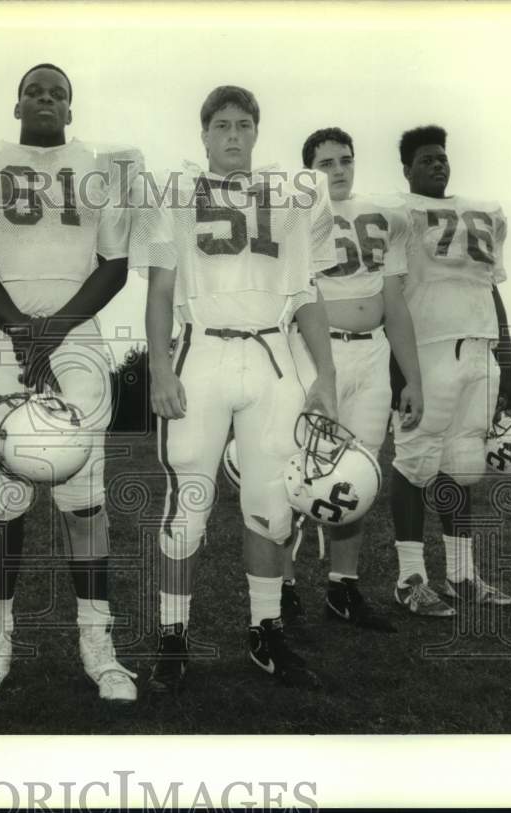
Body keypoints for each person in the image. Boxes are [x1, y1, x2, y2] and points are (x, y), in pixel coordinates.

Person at [0, 63, 141, 703]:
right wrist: (22, 330)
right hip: (3, 330)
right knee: (6, 495)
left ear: (71, 109)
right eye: (35, 91)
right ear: (16, 103)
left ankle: (97, 644)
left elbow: (116, 264)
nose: (46, 99)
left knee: (85, 497)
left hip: (77, 336)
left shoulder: (101, 167)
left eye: (59, 93)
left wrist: (52, 330)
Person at [136, 86, 339, 692]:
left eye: (244, 124)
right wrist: (159, 368)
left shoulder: (294, 198)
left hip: (274, 355)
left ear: (256, 132)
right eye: (221, 124)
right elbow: (160, 291)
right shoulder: (171, 193)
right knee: (187, 506)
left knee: (272, 504)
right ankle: (174, 632)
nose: (232, 135)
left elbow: (306, 292)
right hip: (201, 351)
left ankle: (265, 629)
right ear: (202, 134)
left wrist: (325, 373)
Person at [283, 126, 425, 632]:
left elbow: (395, 302)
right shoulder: (297, 214)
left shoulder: (385, 215)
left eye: (345, 160)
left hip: (372, 355)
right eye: (326, 164)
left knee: (359, 474)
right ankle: (283, 587)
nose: (339, 170)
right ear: (309, 172)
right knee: (300, 471)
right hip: (318, 356)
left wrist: (413, 378)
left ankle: (343, 588)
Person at [388, 125, 511, 614]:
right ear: (407, 169)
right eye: (426, 159)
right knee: (414, 462)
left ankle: (462, 576)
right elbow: (390, 295)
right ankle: (409, 579)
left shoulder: (482, 212)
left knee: (462, 465)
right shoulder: (400, 214)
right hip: (427, 351)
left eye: (442, 157)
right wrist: (401, 374)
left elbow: (491, 287)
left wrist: (507, 362)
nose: (438, 164)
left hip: (478, 351)